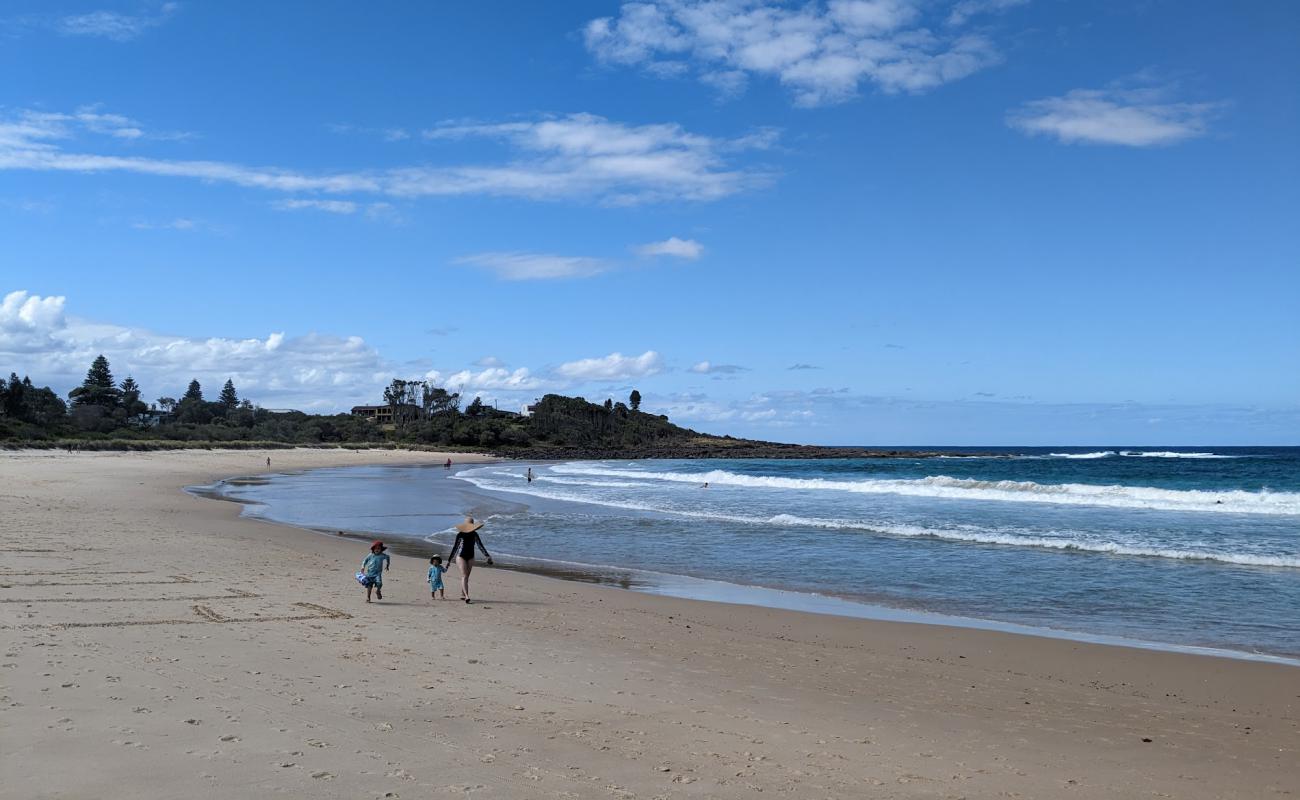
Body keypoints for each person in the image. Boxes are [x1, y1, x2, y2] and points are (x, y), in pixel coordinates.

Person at [448, 517, 492, 603]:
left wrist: (487, 556)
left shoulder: (475, 534)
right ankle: (467, 596)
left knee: (466, 577)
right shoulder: (460, 535)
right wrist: (449, 560)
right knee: (464, 575)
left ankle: (462, 593)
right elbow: (455, 547)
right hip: (461, 557)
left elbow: (480, 545)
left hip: (471, 557)